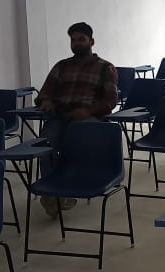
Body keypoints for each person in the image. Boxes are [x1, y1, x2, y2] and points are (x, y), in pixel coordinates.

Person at [34, 22, 119, 217]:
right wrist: (46, 101)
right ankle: (53, 191)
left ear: (91, 42)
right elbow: (46, 90)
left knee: (75, 147)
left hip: (88, 120)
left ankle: (69, 186)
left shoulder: (105, 68)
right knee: (43, 145)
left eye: (81, 39)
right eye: (73, 40)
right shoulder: (62, 66)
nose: (77, 43)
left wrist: (88, 111)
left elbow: (110, 101)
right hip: (61, 117)